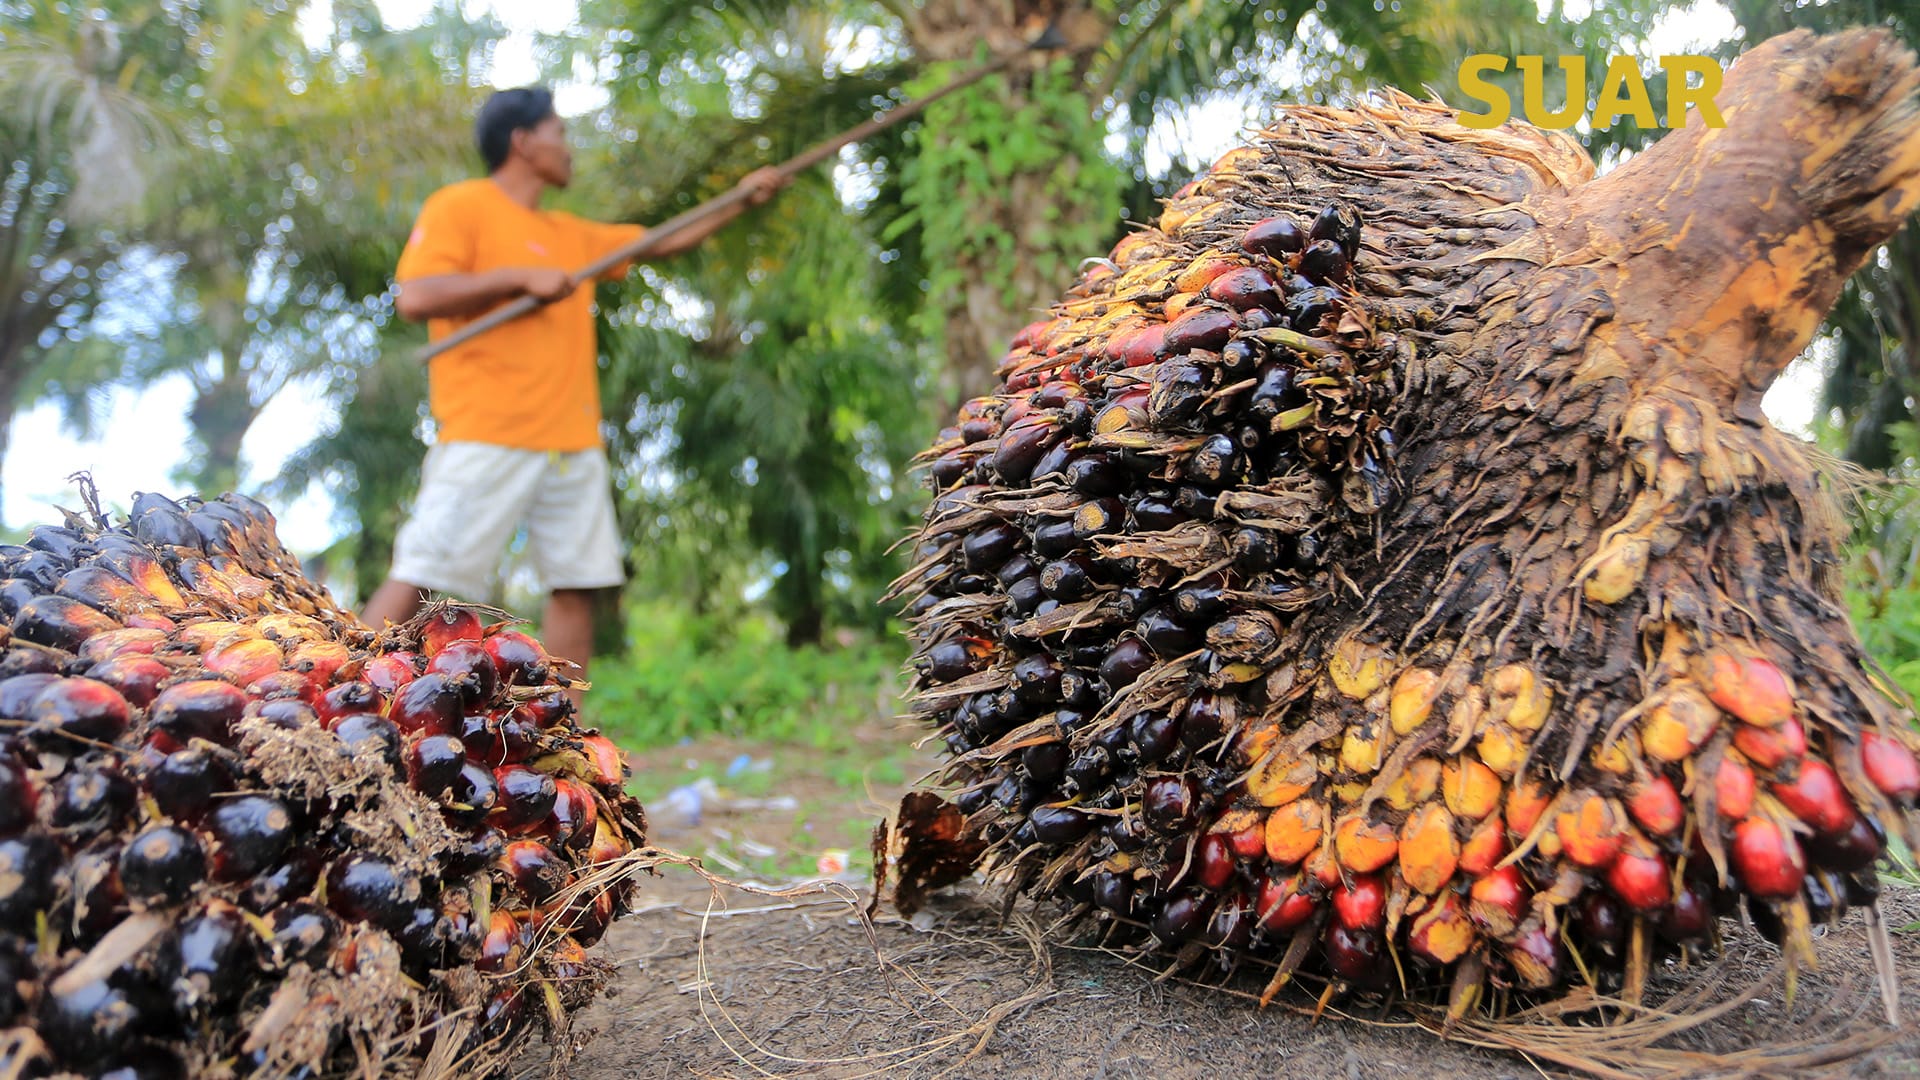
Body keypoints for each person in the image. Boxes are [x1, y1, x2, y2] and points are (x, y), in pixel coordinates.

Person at [363, 86, 785, 688]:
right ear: (522, 140)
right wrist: (520, 279)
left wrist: (742, 198)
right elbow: (417, 295)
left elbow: (662, 239)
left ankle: (565, 724)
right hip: (489, 431)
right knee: (424, 570)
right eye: (559, 132)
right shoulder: (462, 207)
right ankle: (345, 691)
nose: (568, 147)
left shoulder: (569, 233)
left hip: (572, 440)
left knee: (577, 585)